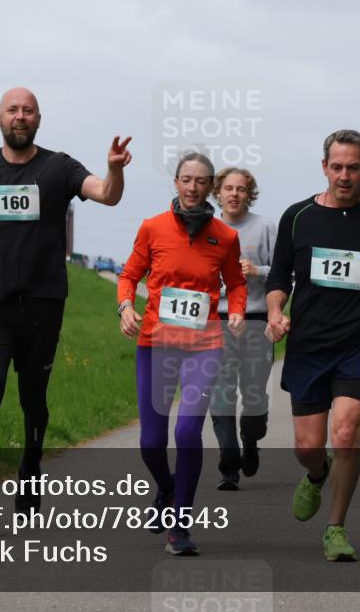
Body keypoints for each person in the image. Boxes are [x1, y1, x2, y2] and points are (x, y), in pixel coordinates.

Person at [0, 87, 132, 531]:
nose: (20, 116)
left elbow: (106, 194)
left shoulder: (58, 167)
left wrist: (114, 170)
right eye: (13, 110)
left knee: (32, 399)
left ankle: (31, 466)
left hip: (42, 305)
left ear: (38, 119)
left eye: (28, 110)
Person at [264, 129, 360, 561]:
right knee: (308, 448)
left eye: (353, 167)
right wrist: (275, 311)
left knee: (345, 433)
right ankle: (317, 474)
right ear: (324, 167)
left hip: (357, 343)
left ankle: (336, 528)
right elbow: (279, 277)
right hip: (308, 345)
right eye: (337, 167)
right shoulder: (297, 217)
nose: (344, 175)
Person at [117, 153, 247, 556]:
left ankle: (180, 526)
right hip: (155, 344)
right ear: (176, 182)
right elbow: (129, 276)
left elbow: (236, 283)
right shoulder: (152, 228)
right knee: (151, 442)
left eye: (201, 181)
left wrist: (237, 310)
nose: (193, 188)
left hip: (203, 346)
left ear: (211, 187)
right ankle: (168, 488)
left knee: (187, 432)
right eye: (186, 179)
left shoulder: (225, 236)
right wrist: (125, 306)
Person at [210, 167, 277, 491]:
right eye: (228, 188)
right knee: (221, 393)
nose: (234, 194)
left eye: (241, 189)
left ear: (250, 194)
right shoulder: (207, 228)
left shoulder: (265, 227)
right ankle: (229, 464)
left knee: (253, 396)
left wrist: (257, 271)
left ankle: (251, 439)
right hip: (217, 320)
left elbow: (287, 273)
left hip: (255, 320)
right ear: (217, 193)